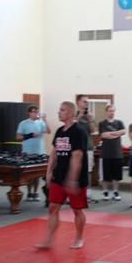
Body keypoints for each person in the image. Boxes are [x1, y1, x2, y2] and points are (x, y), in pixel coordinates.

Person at [39, 101, 88, 249]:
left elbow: (77, 156)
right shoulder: (60, 131)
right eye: (59, 110)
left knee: (77, 210)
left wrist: (72, 179)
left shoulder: (78, 132)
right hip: (59, 176)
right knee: (53, 207)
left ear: (71, 113)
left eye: (62, 110)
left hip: (76, 178)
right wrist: (48, 173)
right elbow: (54, 154)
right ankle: (48, 240)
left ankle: (79, 238)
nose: (59, 112)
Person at [16, 105, 51, 200]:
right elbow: (18, 137)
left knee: (37, 175)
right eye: (34, 111)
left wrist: (45, 120)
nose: (36, 113)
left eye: (37, 111)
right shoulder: (23, 123)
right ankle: (29, 192)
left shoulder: (41, 123)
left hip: (39, 151)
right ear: (29, 113)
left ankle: (35, 193)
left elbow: (49, 131)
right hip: (28, 152)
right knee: (29, 174)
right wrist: (30, 135)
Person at [98, 104, 126, 201]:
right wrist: (117, 134)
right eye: (110, 111)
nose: (112, 113)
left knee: (116, 175)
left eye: (113, 111)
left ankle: (115, 192)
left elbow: (124, 131)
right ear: (106, 112)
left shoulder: (119, 122)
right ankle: (105, 192)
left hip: (117, 153)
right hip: (106, 153)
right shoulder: (102, 123)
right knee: (105, 176)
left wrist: (111, 134)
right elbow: (103, 135)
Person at [76, 95, 99, 203]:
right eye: (84, 101)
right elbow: (70, 128)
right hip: (76, 148)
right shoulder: (73, 114)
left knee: (88, 171)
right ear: (78, 102)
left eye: (87, 102)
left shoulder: (89, 116)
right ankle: (75, 193)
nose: (86, 103)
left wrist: (91, 120)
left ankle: (88, 194)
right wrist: (78, 117)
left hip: (88, 147)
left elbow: (94, 131)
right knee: (75, 170)